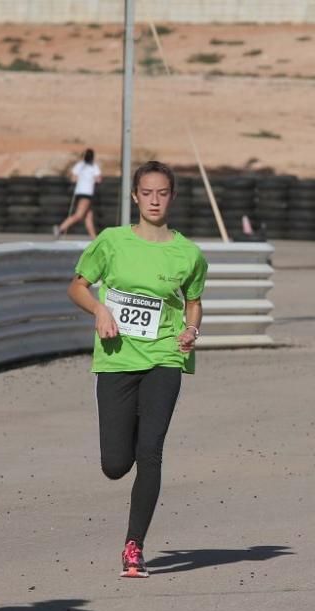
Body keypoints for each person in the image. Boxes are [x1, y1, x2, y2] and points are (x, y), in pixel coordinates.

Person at [67, 161, 207, 577]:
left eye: (162, 193)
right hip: (116, 358)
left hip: (165, 356)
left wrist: (191, 329)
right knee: (115, 463)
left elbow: (194, 299)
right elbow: (76, 285)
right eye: (147, 193)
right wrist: (99, 310)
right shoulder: (111, 242)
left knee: (150, 452)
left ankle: (134, 545)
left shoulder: (188, 253)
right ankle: (123, 449)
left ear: (172, 197)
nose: (154, 200)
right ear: (134, 197)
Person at [55, 148, 102, 240]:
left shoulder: (79, 165)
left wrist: (78, 179)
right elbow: (99, 179)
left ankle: (94, 239)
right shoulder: (93, 166)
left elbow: (73, 177)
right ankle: (61, 228)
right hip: (86, 194)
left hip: (80, 193)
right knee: (79, 215)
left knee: (88, 218)